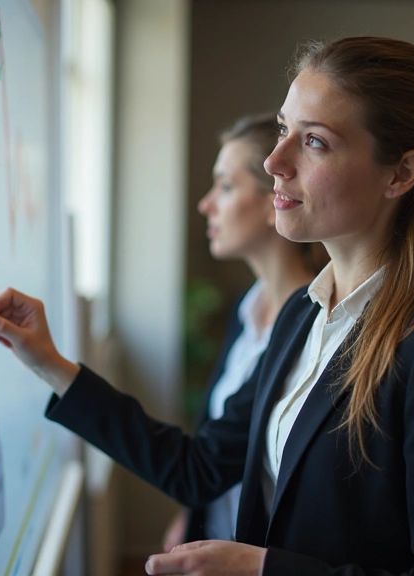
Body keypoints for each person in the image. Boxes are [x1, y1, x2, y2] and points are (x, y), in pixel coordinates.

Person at [0, 36, 414, 576]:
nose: (275, 161)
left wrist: (261, 569)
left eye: (315, 141)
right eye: (283, 130)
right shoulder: (302, 315)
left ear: (400, 174)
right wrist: (50, 363)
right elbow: (199, 467)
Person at [161, 113, 320, 550]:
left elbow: (203, 466)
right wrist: (191, 513)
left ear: (275, 200)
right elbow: (222, 447)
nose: (206, 204)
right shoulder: (246, 308)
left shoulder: (312, 325)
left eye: (226, 186)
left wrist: (56, 368)